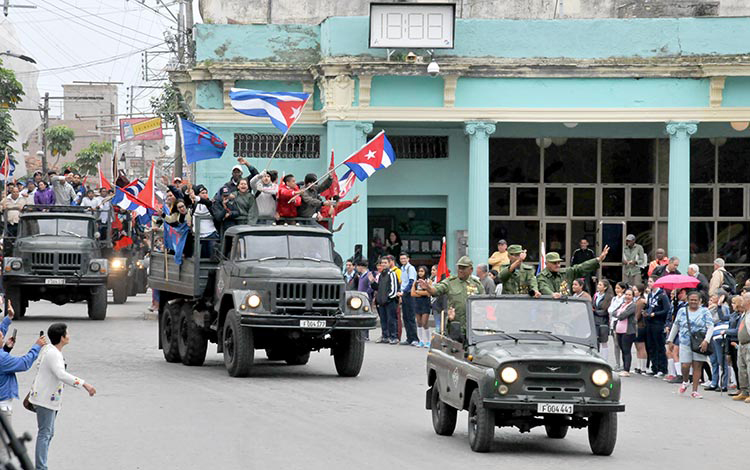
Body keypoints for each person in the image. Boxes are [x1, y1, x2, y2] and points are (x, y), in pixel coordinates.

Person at [29, 323, 96, 470]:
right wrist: (85, 384)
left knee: (48, 433)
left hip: (49, 398)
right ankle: (41, 467)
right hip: (45, 399)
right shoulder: (53, 353)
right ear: (62, 337)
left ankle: (41, 465)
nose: (69, 336)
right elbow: (61, 374)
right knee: (45, 434)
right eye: (67, 333)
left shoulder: (51, 350)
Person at [0, 304, 46, 422]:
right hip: (2, 405)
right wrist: (37, 346)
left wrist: (8, 318)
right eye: (1, 337)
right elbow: (23, 363)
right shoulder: (2, 358)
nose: (3, 337)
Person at [417, 256, 484, 335]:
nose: (460, 270)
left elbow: (483, 304)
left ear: (471, 270)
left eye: (463, 268)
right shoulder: (450, 282)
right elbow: (436, 290)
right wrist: (428, 288)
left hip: (473, 326)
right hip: (455, 325)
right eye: (459, 268)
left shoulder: (477, 284)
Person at [667, 291, 715, 399]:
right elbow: (676, 325)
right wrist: (670, 339)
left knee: (697, 365)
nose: (693, 302)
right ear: (688, 300)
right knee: (685, 365)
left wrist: (706, 340)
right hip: (684, 341)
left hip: (699, 342)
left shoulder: (705, 311)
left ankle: (695, 390)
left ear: (700, 301)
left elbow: (710, 326)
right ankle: (685, 380)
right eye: (691, 300)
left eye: (695, 300)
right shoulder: (682, 311)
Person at [537, 246, 609, 298]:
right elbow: (543, 287)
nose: (557, 265)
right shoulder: (541, 276)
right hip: (548, 309)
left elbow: (581, 268)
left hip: (565, 308)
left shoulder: (566, 272)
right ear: (547, 264)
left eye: (558, 263)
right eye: (554, 263)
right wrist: (552, 294)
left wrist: (598, 259)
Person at [645, 277, 671, 378]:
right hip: (650, 323)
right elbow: (649, 306)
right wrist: (646, 312)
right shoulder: (650, 294)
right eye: (649, 281)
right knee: (651, 346)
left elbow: (666, 309)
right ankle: (654, 367)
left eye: (651, 281)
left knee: (659, 345)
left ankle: (662, 368)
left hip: (658, 323)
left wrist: (655, 314)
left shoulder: (662, 295)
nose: (649, 283)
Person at [706, 292, 731, 391]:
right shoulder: (711, 307)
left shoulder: (723, 308)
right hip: (711, 334)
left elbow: (719, 319)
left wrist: (716, 307)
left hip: (718, 334)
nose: (712, 298)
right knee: (713, 360)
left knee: (721, 360)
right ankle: (714, 382)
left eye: (715, 296)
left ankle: (723, 383)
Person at [727, 296, 749, 401]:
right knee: (742, 369)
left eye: (743, 299)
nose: (741, 302)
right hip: (742, 344)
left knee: (749, 369)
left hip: (748, 343)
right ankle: (744, 391)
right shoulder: (743, 314)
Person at [372, 258, 399, 344]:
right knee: (383, 319)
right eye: (382, 263)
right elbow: (378, 288)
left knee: (391, 319)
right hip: (381, 301)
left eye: (385, 263)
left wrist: (389, 297)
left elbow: (394, 287)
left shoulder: (392, 274)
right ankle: (385, 336)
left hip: (390, 301)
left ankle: (393, 336)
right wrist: (372, 282)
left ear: (389, 263)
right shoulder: (380, 275)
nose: (383, 264)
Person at [190, 185, 219, 259]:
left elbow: (206, 202)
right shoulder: (195, 204)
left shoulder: (210, 203)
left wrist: (196, 197)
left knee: (211, 257)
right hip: (198, 236)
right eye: (202, 193)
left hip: (210, 235)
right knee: (200, 258)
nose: (205, 194)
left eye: (206, 192)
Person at [613, 288, 637, 377]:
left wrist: (619, 313)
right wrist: (619, 313)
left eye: (629, 295)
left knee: (627, 350)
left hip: (628, 331)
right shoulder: (622, 304)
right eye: (626, 294)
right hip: (619, 330)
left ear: (633, 297)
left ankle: (627, 369)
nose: (627, 296)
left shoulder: (632, 305)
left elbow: (623, 316)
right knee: (622, 349)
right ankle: (624, 368)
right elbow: (613, 312)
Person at [398, 253, 419, 346]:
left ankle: (414, 338)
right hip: (404, 294)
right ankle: (409, 338)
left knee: (410, 317)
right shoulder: (402, 268)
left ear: (408, 259)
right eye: (401, 258)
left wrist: (404, 291)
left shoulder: (411, 268)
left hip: (409, 294)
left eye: (404, 258)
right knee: (405, 317)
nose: (402, 260)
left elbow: (411, 282)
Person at [411, 265, 432, 347]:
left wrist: (418, 292)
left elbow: (428, 293)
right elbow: (412, 293)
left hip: (425, 303)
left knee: (424, 322)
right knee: (419, 323)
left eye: (422, 271)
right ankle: (421, 340)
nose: (420, 273)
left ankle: (428, 341)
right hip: (417, 303)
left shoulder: (428, 281)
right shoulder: (415, 282)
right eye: (419, 271)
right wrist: (419, 293)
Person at [608, 281, 627, 371]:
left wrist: (613, 311)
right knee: (615, 344)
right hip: (613, 322)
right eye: (616, 288)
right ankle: (617, 363)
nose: (616, 290)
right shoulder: (614, 299)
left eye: (618, 288)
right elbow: (610, 309)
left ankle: (624, 363)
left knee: (621, 344)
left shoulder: (624, 298)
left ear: (623, 289)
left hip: (620, 322)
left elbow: (618, 310)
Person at [593, 280, 613, 359]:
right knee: (596, 340)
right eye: (598, 284)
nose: (598, 286)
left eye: (600, 285)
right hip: (595, 320)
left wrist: (595, 312)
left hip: (603, 321)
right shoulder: (596, 295)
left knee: (603, 341)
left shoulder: (608, 297)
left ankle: (605, 358)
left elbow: (606, 311)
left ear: (605, 287)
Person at [2, 185, 26, 254]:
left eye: (17, 192)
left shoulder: (23, 199)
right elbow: (2, 207)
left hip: (19, 222)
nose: (15, 193)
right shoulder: (6, 199)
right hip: (9, 223)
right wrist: (16, 207)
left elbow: (22, 207)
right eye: (14, 192)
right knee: (9, 240)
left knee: (18, 239)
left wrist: (9, 207)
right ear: (11, 192)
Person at [632, 284, 649, 375]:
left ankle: (643, 367)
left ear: (640, 291)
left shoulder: (641, 301)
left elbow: (637, 315)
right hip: (636, 325)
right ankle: (638, 366)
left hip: (640, 326)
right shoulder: (636, 300)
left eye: (635, 290)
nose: (634, 292)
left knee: (641, 347)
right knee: (637, 347)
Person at [355, 260, 374, 340]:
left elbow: (371, 287)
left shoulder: (368, 275)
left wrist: (365, 294)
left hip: (366, 298)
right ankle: (362, 334)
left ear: (361, 267)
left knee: (365, 317)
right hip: (360, 299)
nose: (356, 268)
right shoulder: (361, 275)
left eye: (357, 266)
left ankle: (365, 335)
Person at [429, 265, 447, 334]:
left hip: (441, 302)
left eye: (434, 270)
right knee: (437, 322)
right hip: (434, 303)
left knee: (442, 322)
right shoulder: (431, 279)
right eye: (431, 270)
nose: (432, 272)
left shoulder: (441, 280)